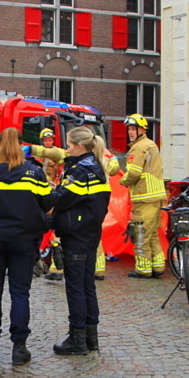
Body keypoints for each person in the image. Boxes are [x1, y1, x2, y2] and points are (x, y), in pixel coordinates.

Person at [0, 128, 52, 365]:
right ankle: (19, 349)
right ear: (20, 145)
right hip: (23, 241)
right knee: (20, 294)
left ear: (0, 145)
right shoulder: (34, 174)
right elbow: (48, 204)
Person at [50, 128, 111, 355]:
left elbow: (62, 199)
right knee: (87, 286)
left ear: (78, 146)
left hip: (76, 234)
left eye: (68, 144)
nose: (66, 149)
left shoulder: (80, 170)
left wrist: (51, 190)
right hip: (90, 232)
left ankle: (77, 340)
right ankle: (90, 338)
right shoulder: (97, 168)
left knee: (75, 287)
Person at [111, 114, 167, 278]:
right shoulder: (151, 145)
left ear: (142, 129)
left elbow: (134, 173)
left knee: (141, 233)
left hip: (144, 196)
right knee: (153, 234)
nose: (130, 132)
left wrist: (123, 181)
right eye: (129, 129)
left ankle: (143, 269)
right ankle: (157, 266)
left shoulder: (138, 147)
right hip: (156, 196)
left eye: (133, 129)